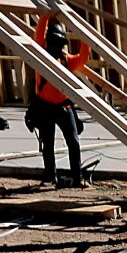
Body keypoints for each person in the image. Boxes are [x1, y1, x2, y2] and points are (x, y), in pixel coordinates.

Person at [27, 13, 90, 188]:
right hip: (46, 107)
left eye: (58, 43)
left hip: (63, 107)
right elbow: (38, 35)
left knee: (73, 142)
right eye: (53, 42)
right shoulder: (41, 56)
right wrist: (45, 16)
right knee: (48, 145)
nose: (55, 46)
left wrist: (85, 37)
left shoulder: (66, 61)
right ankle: (49, 177)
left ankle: (77, 177)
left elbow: (82, 58)